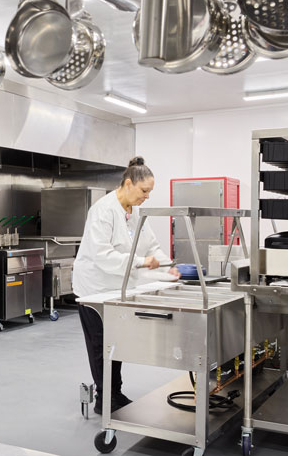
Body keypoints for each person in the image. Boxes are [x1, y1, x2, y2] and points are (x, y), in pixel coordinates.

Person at [73, 156, 180, 414]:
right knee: (101, 346)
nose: (147, 196)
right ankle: (104, 400)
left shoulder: (134, 213)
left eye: (149, 192)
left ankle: (115, 393)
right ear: (129, 184)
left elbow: (151, 246)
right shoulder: (103, 210)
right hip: (95, 290)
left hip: (118, 288)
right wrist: (144, 262)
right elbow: (103, 256)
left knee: (116, 343)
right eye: (144, 191)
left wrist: (169, 266)